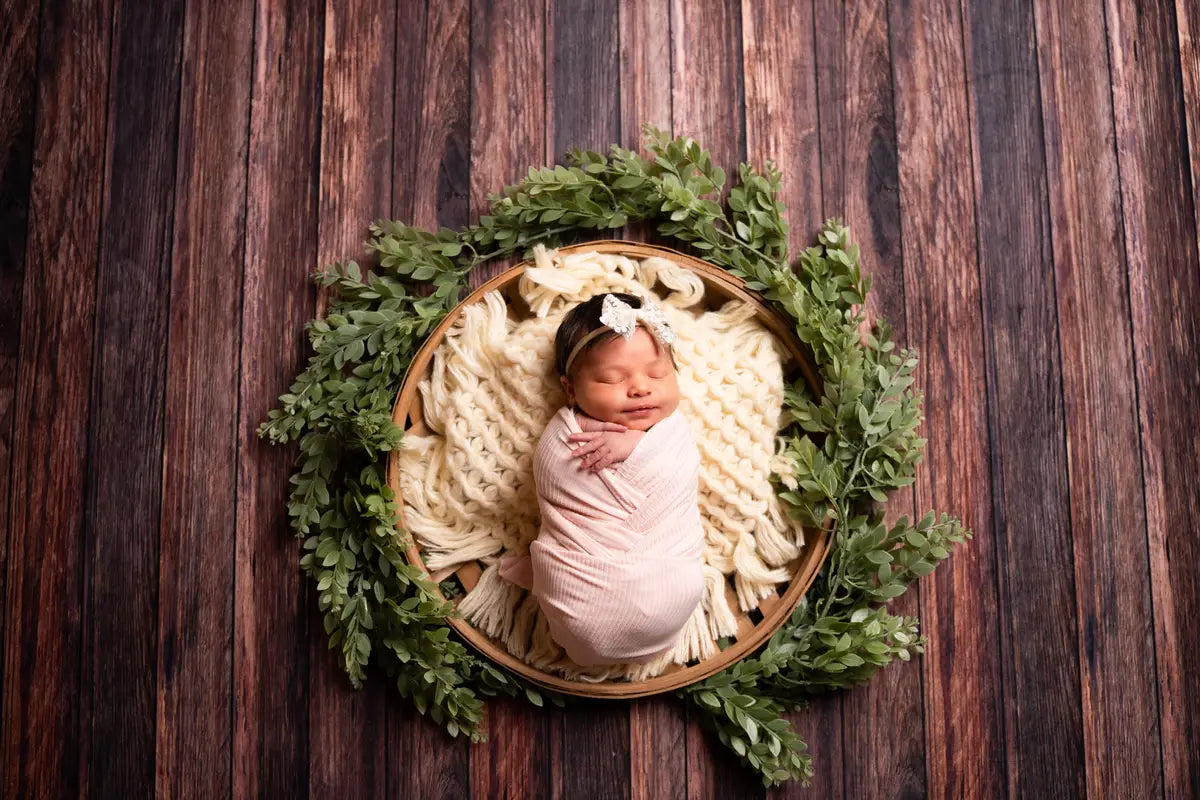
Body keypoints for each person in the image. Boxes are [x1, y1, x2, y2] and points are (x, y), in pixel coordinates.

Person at [497, 292, 706, 666]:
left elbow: (681, 468)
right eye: (612, 378)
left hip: (673, 580)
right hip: (581, 594)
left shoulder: (673, 434)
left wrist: (638, 445)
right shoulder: (567, 436)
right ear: (570, 389)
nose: (640, 387)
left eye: (657, 374)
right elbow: (555, 475)